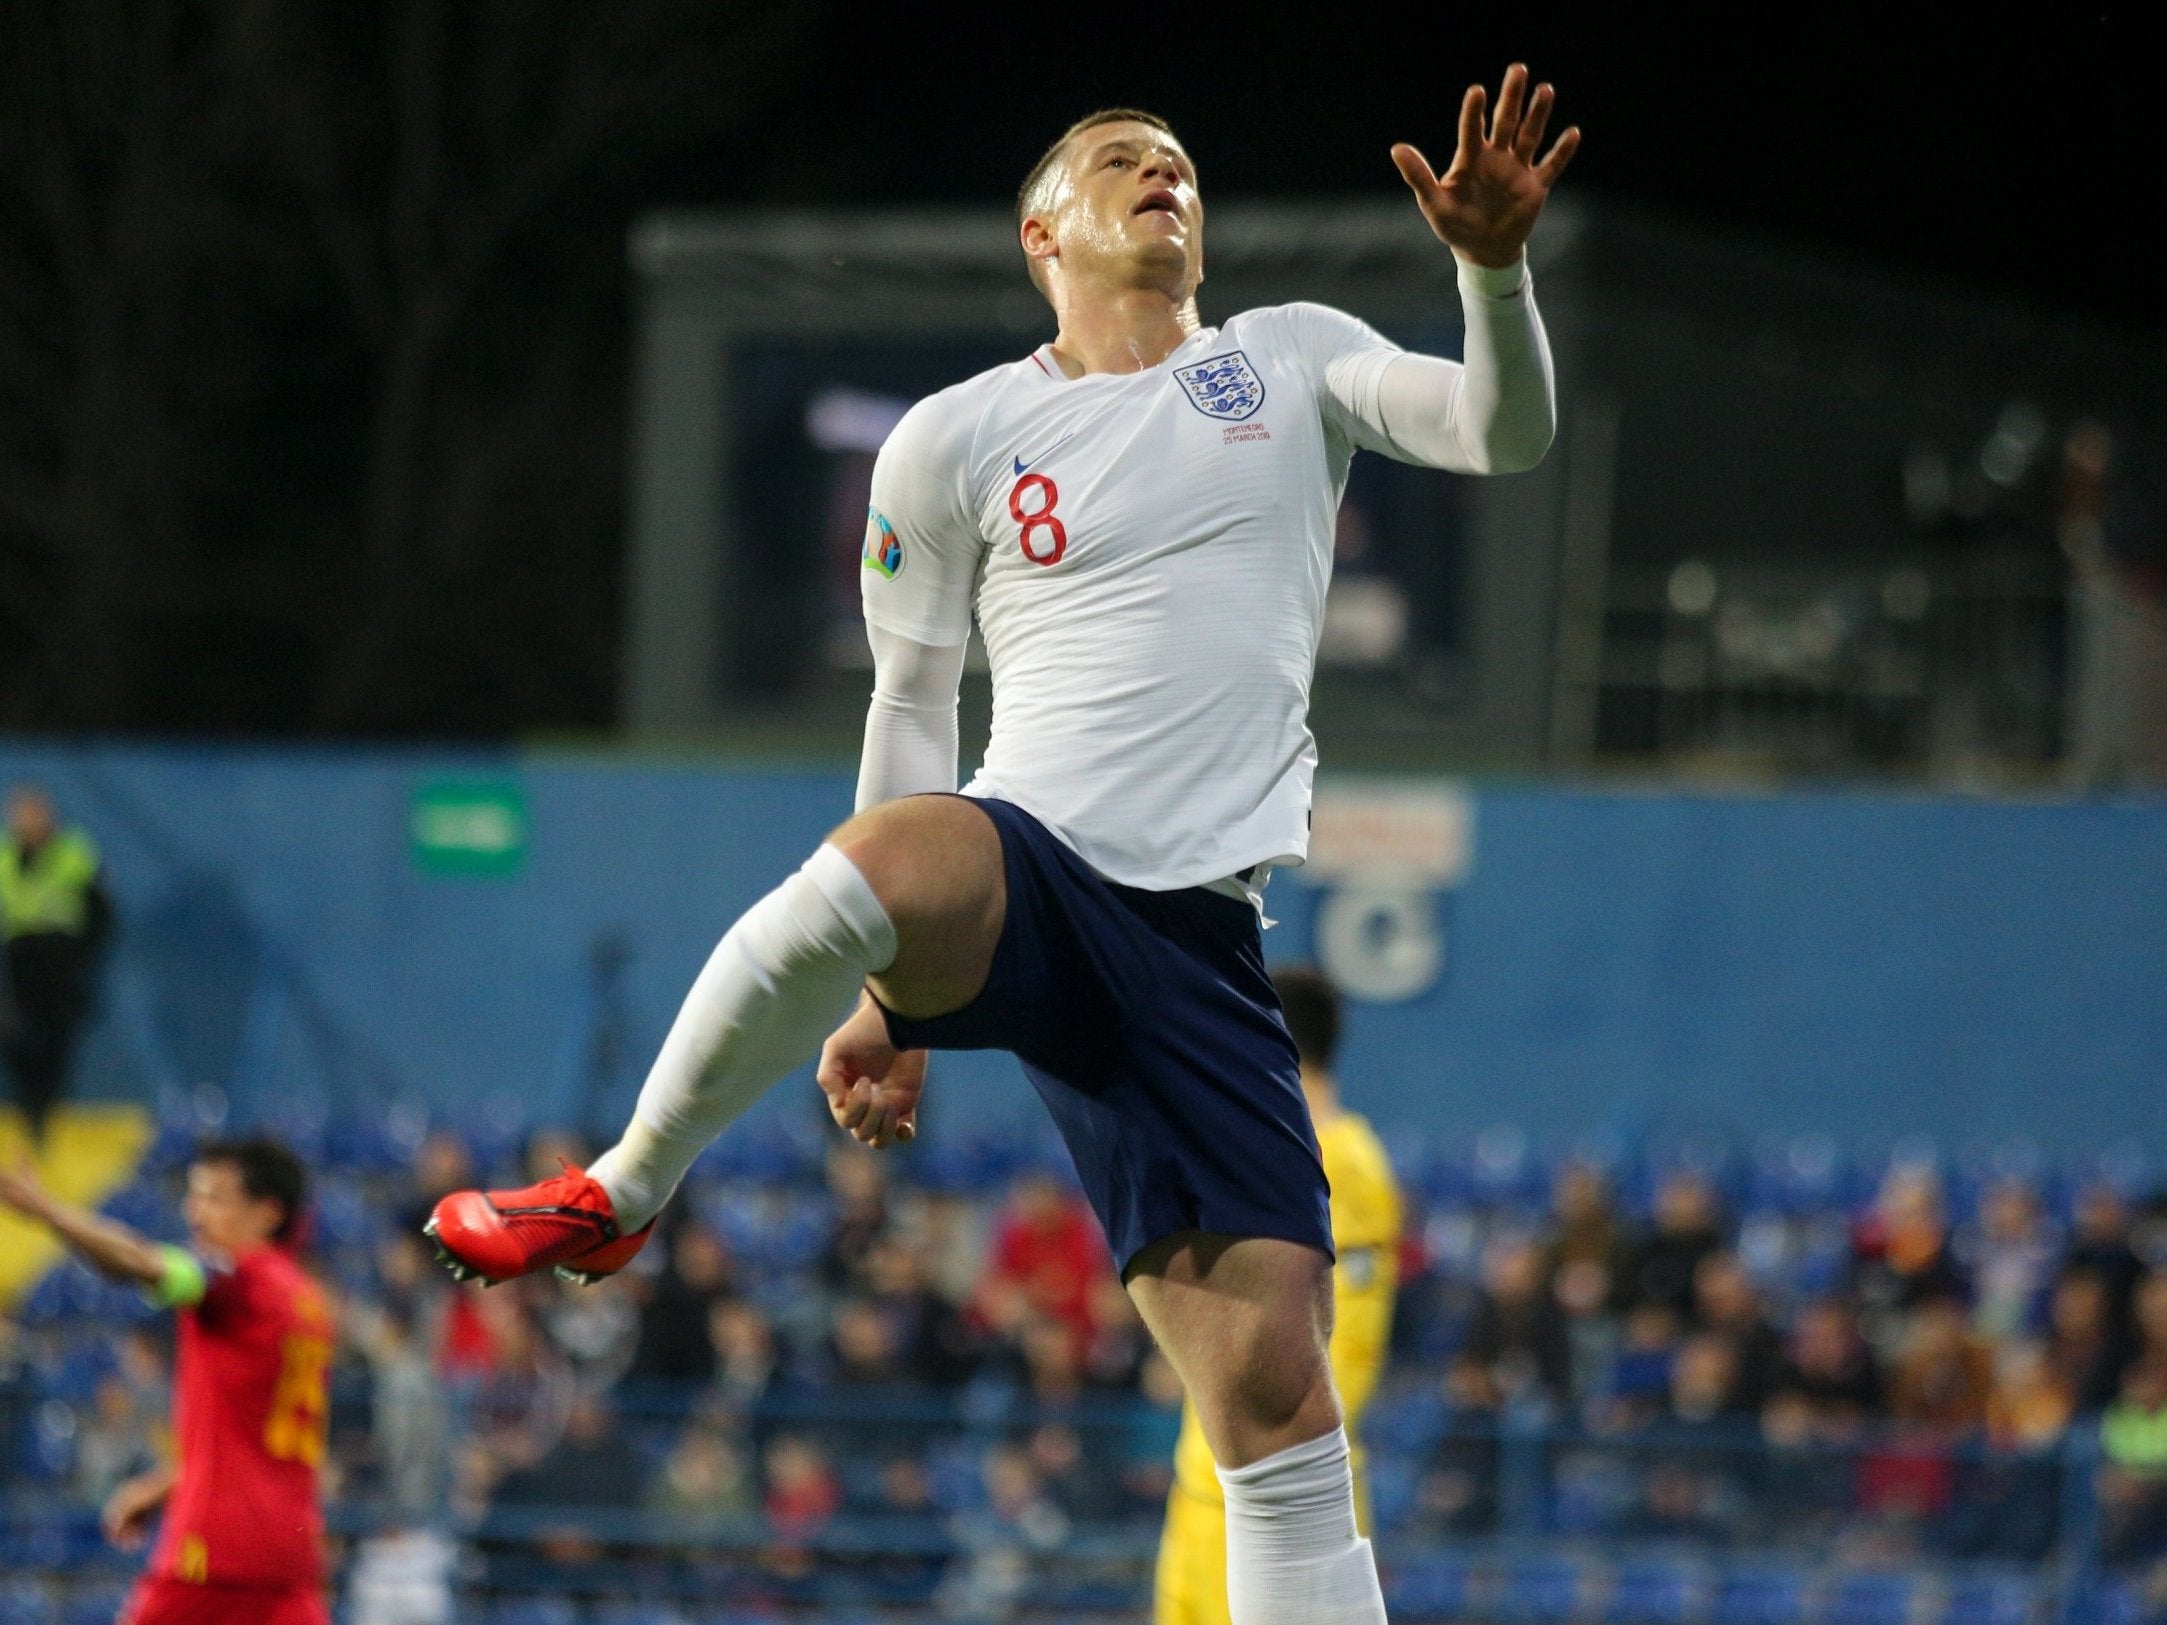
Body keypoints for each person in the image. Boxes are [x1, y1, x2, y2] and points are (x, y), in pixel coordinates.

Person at [428, 65, 1573, 1623]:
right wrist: (883, 995)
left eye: (1176, 160)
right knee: (894, 856)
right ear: (1042, 227)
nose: (1160, 171)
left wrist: (1489, 272)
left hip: (1197, 947)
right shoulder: (954, 437)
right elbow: (910, 699)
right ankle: (622, 1190)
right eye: (1120, 157)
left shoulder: (1288, 359)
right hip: (1029, 864)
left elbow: (1499, 434)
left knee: (1276, 1418)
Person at [1155, 966, 1403, 1625]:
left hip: (1277, 1498)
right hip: (1205, 1488)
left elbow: (1345, 1344)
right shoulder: (1267, 1152)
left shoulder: (1343, 1162)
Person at [0, 1137, 331, 1625]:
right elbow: (255, 1443)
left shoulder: (235, 1280)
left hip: (217, 1552)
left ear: (267, 1213)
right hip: (288, 1554)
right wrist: (163, 1487)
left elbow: (142, 1263)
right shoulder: (308, 1301)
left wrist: (48, 1213)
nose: (193, 1211)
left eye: (214, 1197)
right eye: (193, 1195)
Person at [0, 784, 114, 1142]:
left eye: (35, 814)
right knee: (14, 1037)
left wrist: (82, 961)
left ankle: (42, 1114)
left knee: (57, 1042)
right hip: (16, 963)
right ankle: (28, 1109)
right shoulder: (4, 857)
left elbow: (102, 912)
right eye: (21, 814)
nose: (27, 822)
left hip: (61, 964)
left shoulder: (74, 854)